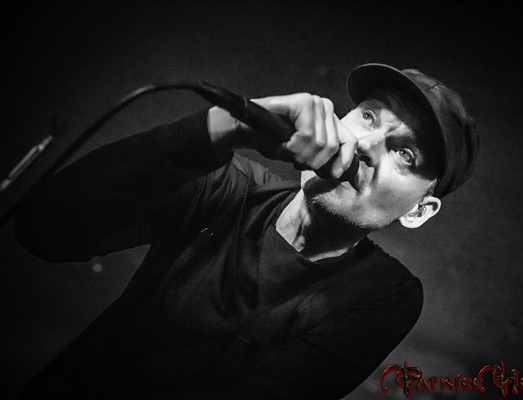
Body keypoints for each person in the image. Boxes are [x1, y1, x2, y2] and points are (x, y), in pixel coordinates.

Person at [14, 63, 478, 399]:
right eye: (368, 116)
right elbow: (43, 228)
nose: (366, 145)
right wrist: (221, 129)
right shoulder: (225, 186)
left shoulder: (382, 296)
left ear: (420, 210)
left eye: (405, 154)